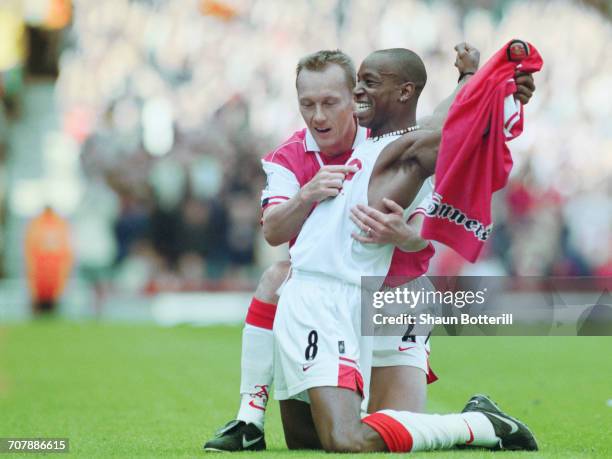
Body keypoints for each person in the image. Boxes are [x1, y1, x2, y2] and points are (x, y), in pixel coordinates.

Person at [204, 46, 535, 452]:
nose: (357, 93)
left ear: (403, 93)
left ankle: (480, 424)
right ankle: (250, 418)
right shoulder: (365, 142)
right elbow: (437, 120)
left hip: (379, 293)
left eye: (367, 84)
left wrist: (496, 94)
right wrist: (475, 83)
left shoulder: (395, 147)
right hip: (316, 297)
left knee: (350, 438)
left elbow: (452, 133)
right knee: (310, 442)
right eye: (309, 103)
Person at [25, 206, 73, 314]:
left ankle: (50, 310)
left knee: (52, 294)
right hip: (42, 267)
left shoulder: (55, 224)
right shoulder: (39, 224)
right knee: (39, 293)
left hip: (52, 267)